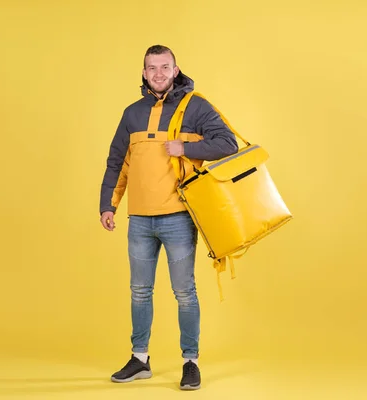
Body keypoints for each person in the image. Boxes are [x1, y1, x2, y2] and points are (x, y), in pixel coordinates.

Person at [99, 44, 238, 390]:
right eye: (152, 68)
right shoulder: (131, 113)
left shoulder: (196, 107)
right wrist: (108, 204)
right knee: (139, 291)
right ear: (144, 73)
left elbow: (228, 144)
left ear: (176, 70)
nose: (158, 74)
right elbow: (118, 160)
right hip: (140, 220)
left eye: (165, 67)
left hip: (178, 216)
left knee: (184, 292)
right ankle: (140, 359)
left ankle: (190, 362)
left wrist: (186, 148)